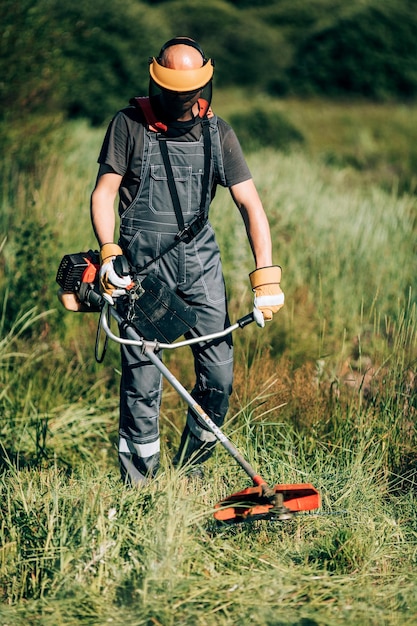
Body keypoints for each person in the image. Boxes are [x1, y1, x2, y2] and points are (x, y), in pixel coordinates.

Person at [90, 37, 284, 485]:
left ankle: (192, 475)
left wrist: (266, 277)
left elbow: (251, 206)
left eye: (192, 92)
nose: (185, 101)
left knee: (218, 375)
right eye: (176, 92)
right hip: (141, 273)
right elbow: (104, 192)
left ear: (204, 86)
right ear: (158, 83)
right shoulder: (129, 125)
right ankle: (141, 487)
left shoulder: (220, 133)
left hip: (201, 267)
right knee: (142, 380)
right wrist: (108, 252)